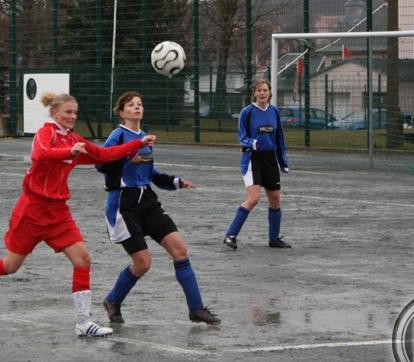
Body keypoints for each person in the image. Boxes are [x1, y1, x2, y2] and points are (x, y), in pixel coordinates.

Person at [0, 92, 156, 337]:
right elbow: (41, 155)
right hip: (32, 211)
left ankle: (83, 322)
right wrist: (70, 152)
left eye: (75, 113)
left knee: (83, 260)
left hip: (59, 213)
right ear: (55, 113)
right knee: (10, 265)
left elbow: (103, 155)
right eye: (68, 112)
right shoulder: (45, 133)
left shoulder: (74, 139)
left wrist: (138, 144)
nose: (72, 117)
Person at [97, 91, 220, 326]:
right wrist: (125, 156)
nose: (137, 107)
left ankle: (196, 308)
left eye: (139, 104)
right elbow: (101, 163)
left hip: (148, 202)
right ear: (122, 112)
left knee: (180, 249)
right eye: (131, 105)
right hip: (124, 204)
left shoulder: (144, 137)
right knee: (143, 263)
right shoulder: (118, 135)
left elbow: (149, 172)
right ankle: (113, 300)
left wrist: (174, 182)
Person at [223, 79, 290, 250]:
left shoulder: (274, 111)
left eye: (265, 90)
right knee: (253, 198)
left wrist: (283, 161)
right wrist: (251, 143)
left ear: (270, 93)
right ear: (254, 93)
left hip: (271, 160)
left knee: (275, 200)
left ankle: (274, 239)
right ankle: (230, 236)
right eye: (259, 90)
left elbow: (279, 138)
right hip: (253, 159)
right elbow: (241, 136)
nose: (262, 93)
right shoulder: (247, 112)